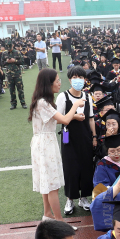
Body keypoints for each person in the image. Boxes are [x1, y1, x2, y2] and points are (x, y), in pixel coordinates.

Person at [28, 68, 86, 225]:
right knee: (52, 185)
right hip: (45, 144)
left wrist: (73, 116)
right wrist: (76, 105)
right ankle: (60, 222)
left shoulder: (42, 101)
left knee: (47, 183)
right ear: (49, 83)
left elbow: (57, 119)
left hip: (44, 142)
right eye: (57, 81)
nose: (60, 83)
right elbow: (65, 120)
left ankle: (48, 215)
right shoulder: (43, 102)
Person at [56, 66, 96, 215]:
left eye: (81, 78)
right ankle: (70, 199)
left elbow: (91, 118)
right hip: (68, 137)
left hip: (85, 137)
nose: (78, 81)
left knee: (86, 167)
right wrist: (73, 116)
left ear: (85, 80)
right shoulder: (63, 97)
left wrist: (94, 137)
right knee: (70, 168)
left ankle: (83, 197)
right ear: (69, 79)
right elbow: (58, 119)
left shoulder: (88, 97)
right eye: (75, 78)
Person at [2, 42, 27, 110]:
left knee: (20, 89)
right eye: (8, 48)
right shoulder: (4, 53)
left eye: (10, 48)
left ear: (12, 46)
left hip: (17, 74)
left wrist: (15, 60)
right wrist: (7, 61)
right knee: (11, 90)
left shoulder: (17, 52)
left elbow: (22, 62)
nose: (9, 50)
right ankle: (13, 104)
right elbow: (2, 63)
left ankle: (23, 103)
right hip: (9, 74)